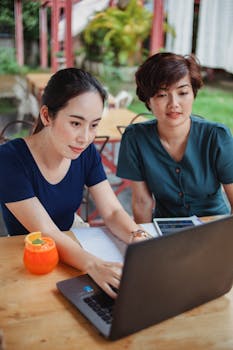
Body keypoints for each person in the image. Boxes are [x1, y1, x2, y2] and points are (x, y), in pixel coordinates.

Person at [0, 68, 149, 298]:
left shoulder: (86, 153)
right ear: (47, 116)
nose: (86, 137)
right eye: (76, 123)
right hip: (31, 256)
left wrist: (139, 238)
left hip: (73, 238)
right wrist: (93, 265)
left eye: (94, 125)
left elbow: (111, 211)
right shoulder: (9, 160)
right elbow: (47, 231)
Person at [117, 52, 233, 223]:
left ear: (193, 94)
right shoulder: (135, 138)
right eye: (162, 95)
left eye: (183, 92)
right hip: (166, 231)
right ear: (148, 101)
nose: (174, 104)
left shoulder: (216, 136)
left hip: (213, 225)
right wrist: (146, 243)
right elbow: (142, 202)